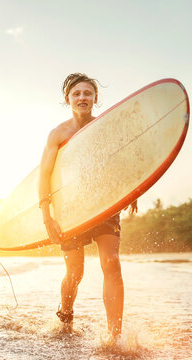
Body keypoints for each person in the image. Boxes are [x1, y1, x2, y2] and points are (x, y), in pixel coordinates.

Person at [38, 73, 137, 336]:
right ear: (67, 99)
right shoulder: (58, 134)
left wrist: (133, 191)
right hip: (70, 210)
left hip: (104, 203)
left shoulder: (105, 127)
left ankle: (114, 336)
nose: (82, 98)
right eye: (77, 93)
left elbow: (121, 160)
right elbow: (44, 175)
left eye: (87, 93)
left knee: (111, 262)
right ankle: (66, 317)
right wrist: (47, 217)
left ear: (95, 98)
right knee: (75, 272)